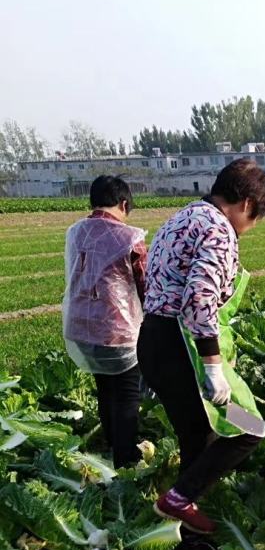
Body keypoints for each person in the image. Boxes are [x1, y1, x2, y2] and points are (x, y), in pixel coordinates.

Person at [137, 159, 265, 534]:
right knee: (249, 428)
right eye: (256, 217)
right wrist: (213, 366)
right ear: (247, 203)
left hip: (153, 340)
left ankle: (184, 533)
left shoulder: (182, 218)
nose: (251, 227)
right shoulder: (219, 230)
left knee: (197, 436)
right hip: (183, 347)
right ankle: (178, 500)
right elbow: (198, 299)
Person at [63, 175, 148, 467]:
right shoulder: (130, 238)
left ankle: (112, 443)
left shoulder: (76, 232)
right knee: (127, 394)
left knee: (105, 388)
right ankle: (125, 460)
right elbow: (144, 283)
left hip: (81, 327)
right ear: (124, 204)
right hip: (117, 331)